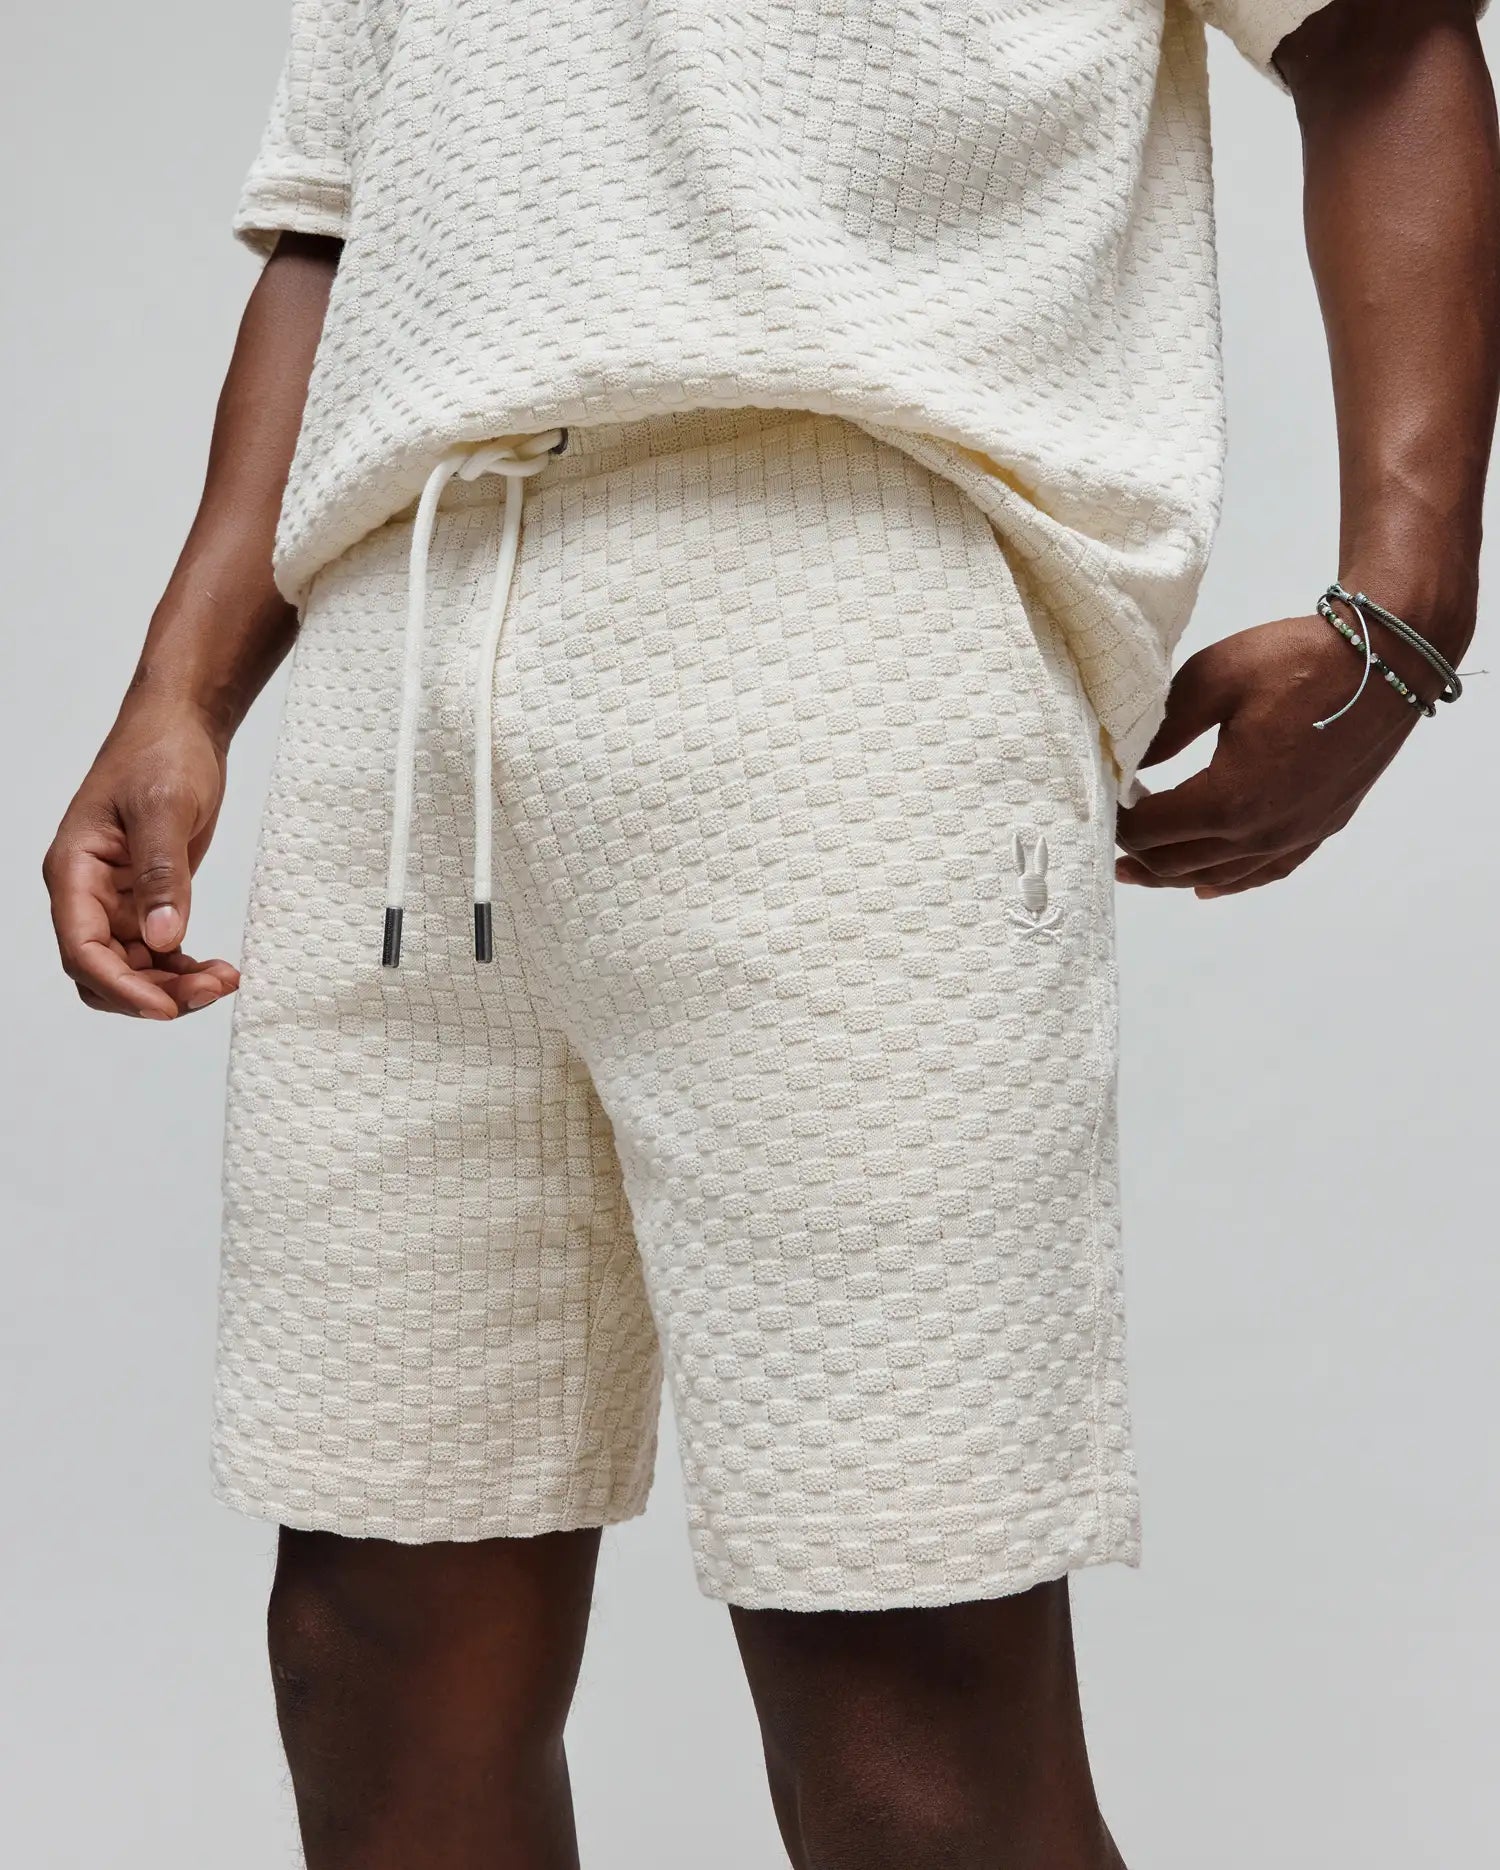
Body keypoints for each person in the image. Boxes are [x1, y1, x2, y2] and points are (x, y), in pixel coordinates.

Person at [42, 2, 1497, 1865]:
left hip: (842, 621)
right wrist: (180, 688)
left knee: (904, 1704)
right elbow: (340, 223)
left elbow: (1382, 39)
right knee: (369, 1644)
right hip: (397, 674)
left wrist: (1407, 599)